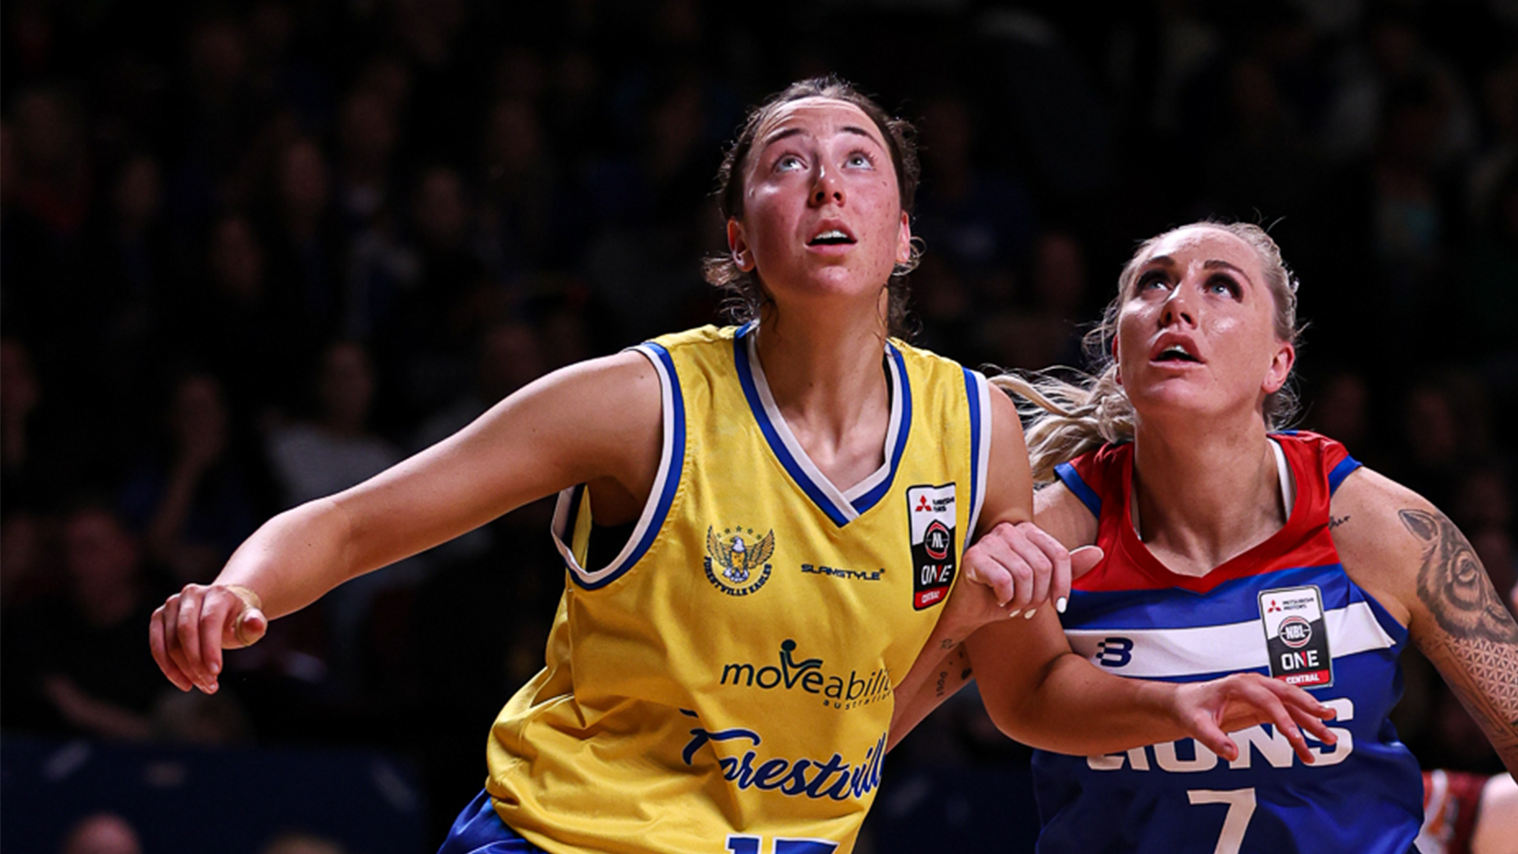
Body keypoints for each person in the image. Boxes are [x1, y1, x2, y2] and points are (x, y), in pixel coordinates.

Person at [150, 81, 1333, 854]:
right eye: (787, 163)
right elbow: (355, 522)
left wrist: (1163, 704)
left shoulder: (977, 430)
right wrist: (238, 590)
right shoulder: (637, 405)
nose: (825, 181)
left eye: (859, 160)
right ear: (739, 242)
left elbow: (1024, 693)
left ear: (903, 236)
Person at [894, 221, 1518, 852]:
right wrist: (958, 614)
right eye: (1153, 283)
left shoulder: (1383, 528)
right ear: (1118, 354)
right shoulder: (1044, 536)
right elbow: (864, 739)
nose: (1177, 305)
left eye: (1221, 286)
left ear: (1278, 363)